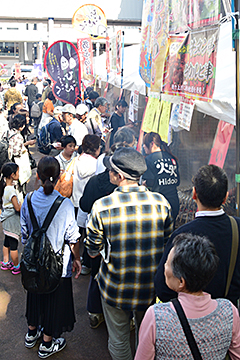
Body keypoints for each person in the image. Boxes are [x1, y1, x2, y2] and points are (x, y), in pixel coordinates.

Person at [84, 147, 173, 360]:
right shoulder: (161, 203)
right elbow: (167, 243)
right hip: (149, 287)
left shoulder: (102, 206)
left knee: (118, 339)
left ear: (119, 176)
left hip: (115, 287)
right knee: (146, 338)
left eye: (111, 171)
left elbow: (93, 250)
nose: (108, 174)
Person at [135, 233, 240, 360]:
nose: (164, 266)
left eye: (168, 263)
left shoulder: (156, 316)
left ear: (181, 282)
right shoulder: (229, 311)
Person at [20, 156, 81, 358]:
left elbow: (24, 235)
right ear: (58, 177)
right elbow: (73, 237)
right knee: (54, 299)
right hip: (58, 263)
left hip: (33, 262)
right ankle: (47, 343)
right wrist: (77, 259)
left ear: (37, 176)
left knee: (35, 294)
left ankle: (31, 333)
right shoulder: (64, 204)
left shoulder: (28, 200)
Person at [154, 164, 240, 307]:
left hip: (188, 316)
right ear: (225, 198)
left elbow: (163, 288)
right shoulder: (237, 228)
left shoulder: (181, 235)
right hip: (228, 314)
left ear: (194, 194)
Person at [142, 132, 180, 221]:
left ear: (152, 144)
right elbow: (177, 181)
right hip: (174, 202)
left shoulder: (149, 159)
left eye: (145, 144)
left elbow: (150, 182)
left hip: (159, 204)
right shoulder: (172, 158)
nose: (143, 146)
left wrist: (144, 184)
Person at [72, 134, 101, 217]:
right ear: (96, 149)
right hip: (89, 204)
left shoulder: (77, 160)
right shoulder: (96, 164)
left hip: (75, 201)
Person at [0, 163, 21, 275]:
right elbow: (17, 208)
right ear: (12, 175)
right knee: (14, 245)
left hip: (6, 220)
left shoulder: (5, 187)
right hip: (12, 220)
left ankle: (5, 262)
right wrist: (23, 205)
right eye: (17, 172)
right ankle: (16, 266)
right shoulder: (11, 191)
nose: (19, 174)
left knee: (7, 242)